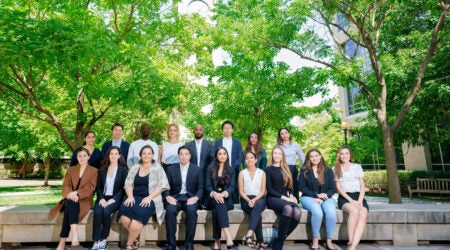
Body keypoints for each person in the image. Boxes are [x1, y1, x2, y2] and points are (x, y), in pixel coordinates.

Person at [119, 145, 169, 250]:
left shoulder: (157, 167)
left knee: (138, 216)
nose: (146, 155)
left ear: (152, 155)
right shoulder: (135, 167)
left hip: (151, 198)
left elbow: (162, 185)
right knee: (123, 213)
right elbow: (127, 184)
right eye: (144, 153)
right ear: (141, 155)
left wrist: (149, 197)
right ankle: (135, 240)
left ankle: (128, 244)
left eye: (149, 153)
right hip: (134, 196)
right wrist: (130, 196)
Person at [56, 147, 98, 250]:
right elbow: (66, 185)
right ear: (77, 157)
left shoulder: (94, 171)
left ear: (88, 157)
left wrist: (77, 193)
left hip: (84, 200)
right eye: (80, 156)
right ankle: (75, 236)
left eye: (84, 156)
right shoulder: (71, 169)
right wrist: (70, 194)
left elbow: (91, 187)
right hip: (70, 197)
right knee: (71, 203)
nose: (82, 158)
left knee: (69, 209)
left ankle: (62, 242)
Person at [163, 146, 203, 250]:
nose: (184, 156)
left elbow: (200, 187)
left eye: (186, 154)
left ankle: (189, 243)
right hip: (175, 197)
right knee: (170, 211)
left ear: (190, 156)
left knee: (191, 211)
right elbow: (166, 186)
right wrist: (167, 196)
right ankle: (171, 244)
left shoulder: (197, 169)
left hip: (190, 198)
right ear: (178, 156)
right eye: (181, 154)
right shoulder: (171, 169)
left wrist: (196, 197)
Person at [91, 146, 128, 250]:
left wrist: (113, 199)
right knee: (98, 211)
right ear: (108, 155)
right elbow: (98, 187)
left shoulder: (123, 170)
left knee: (106, 211)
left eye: (116, 154)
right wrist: (101, 198)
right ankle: (96, 240)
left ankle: (104, 239)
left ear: (119, 156)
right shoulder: (102, 169)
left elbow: (123, 188)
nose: (113, 156)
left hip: (115, 198)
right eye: (111, 154)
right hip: (102, 197)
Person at [299, 149, 337, 250]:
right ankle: (315, 240)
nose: (314, 158)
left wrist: (324, 197)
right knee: (317, 212)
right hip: (308, 197)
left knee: (331, 212)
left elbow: (333, 188)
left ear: (320, 156)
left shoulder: (328, 170)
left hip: (326, 197)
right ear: (309, 158)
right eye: (311, 156)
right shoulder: (304, 170)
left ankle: (329, 241)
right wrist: (316, 195)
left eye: (316, 156)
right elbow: (302, 187)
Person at [265, 146, 301, 250]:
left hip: (286, 198)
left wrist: (292, 196)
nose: (277, 155)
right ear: (272, 155)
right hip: (273, 198)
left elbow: (290, 187)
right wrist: (285, 198)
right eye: (275, 153)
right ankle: (279, 244)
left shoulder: (286, 168)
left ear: (282, 156)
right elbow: (270, 189)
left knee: (297, 212)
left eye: (279, 153)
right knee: (289, 209)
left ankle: (279, 239)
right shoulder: (268, 169)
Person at [333, 146, 369, 250]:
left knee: (363, 213)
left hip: (359, 196)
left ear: (350, 155)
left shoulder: (357, 166)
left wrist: (360, 200)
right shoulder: (336, 168)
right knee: (354, 211)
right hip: (345, 197)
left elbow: (362, 186)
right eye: (342, 154)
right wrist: (351, 201)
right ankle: (351, 242)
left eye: (346, 153)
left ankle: (353, 246)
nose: (344, 156)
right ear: (339, 156)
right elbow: (339, 188)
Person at [206, 147, 236, 250]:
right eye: (220, 154)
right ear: (216, 156)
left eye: (224, 154)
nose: (222, 156)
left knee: (217, 209)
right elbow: (208, 186)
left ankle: (217, 241)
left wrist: (223, 194)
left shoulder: (231, 170)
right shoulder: (210, 168)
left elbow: (232, 187)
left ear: (227, 156)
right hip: (212, 199)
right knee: (218, 203)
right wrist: (215, 194)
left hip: (226, 199)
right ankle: (228, 237)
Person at [238, 151, 266, 250]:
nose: (249, 160)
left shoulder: (262, 173)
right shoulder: (242, 173)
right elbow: (241, 192)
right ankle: (261, 242)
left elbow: (262, 191)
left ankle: (249, 234)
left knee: (257, 206)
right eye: (247, 158)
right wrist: (248, 200)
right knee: (257, 213)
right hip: (246, 199)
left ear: (255, 160)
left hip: (259, 198)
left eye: (251, 158)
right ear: (245, 161)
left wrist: (254, 199)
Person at [213, 120, 243, 203]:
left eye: (229, 128)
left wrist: (232, 168)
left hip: (234, 170)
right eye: (225, 128)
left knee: (234, 189)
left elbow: (240, 157)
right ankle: (220, 203)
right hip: (220, 171)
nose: (227, 130)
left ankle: (236, 206)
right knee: (221, 190)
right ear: (222, 130)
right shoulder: (217, 142)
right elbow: (214, 156)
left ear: (232, 130)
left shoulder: (237, 143)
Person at [277, 127, 305, 202]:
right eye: (282, 134)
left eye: (286, 133)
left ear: (289, 134)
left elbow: (303, 159)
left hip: (293, 169)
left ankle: (296, 203)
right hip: (281, 169)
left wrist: (301, 171)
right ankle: (284, 203)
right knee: (283, 188)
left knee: (294, 188)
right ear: (280, 136)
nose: (284, 135)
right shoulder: (278, 147)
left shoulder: (296, 146)